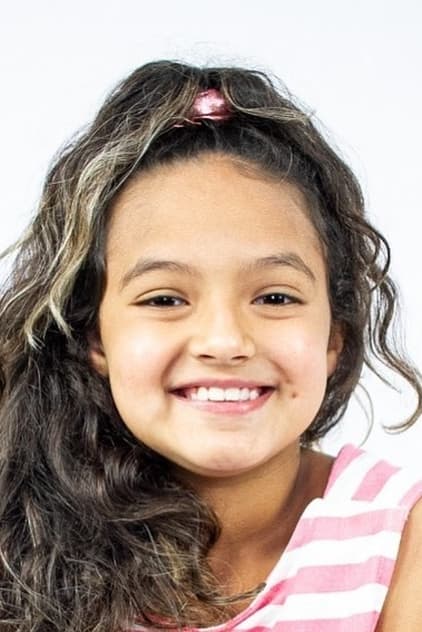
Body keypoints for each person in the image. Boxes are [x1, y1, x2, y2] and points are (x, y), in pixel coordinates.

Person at [0, 60, 421, 632]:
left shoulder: (402, 536)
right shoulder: (19, 546)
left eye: (275, 297)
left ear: (335, 335)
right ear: (95, 336)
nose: (225, 342)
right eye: (164, 299)